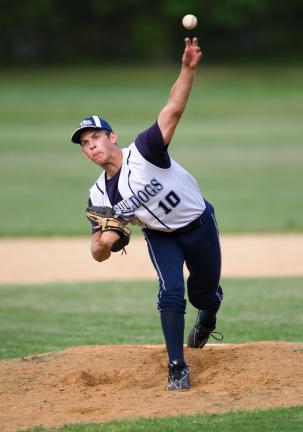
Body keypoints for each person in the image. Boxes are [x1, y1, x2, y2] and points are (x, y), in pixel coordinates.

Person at [70, 37, 223, 391]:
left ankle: (208, 315)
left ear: (112, 136)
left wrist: (187, 68)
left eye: (95, 137)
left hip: (199, 224)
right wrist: (106, 239)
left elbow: (173, 108)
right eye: (84, 143)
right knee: (170, 291)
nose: (91, 146)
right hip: (159, 236)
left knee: (203, 293)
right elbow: (97, 251)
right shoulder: (98, 194)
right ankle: (177, 366)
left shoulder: (145, 150)